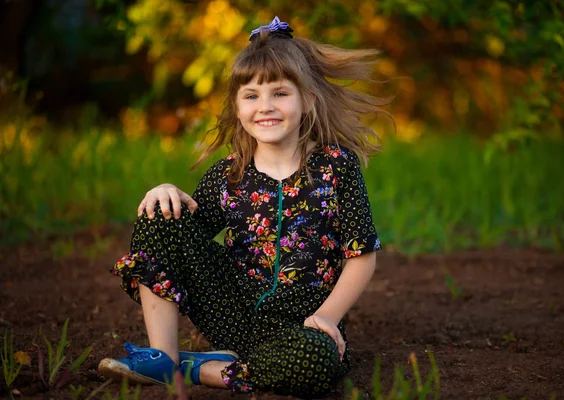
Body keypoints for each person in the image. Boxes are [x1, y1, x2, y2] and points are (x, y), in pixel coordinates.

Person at [98, 16, 390, 398]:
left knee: (316, 361)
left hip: (302, 324)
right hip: (231, 310)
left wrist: (326, 318)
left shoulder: (337, 167)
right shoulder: (228, 175)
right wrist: (164, 190)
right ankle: (162, 359)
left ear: (308, 99)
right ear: (237, 108)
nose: (265, 107)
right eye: (251, 96)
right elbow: (181, 241)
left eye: (280, 93)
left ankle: (199, 368)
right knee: (161, 212)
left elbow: (361, 256)